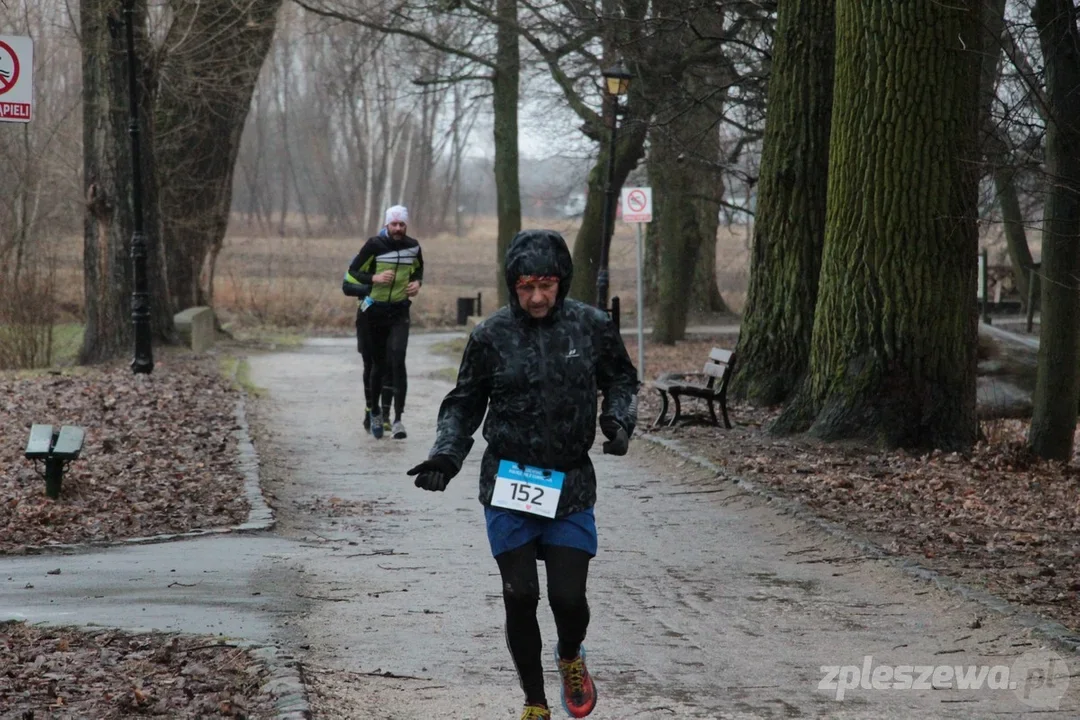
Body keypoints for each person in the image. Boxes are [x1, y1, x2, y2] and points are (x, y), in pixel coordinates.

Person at [406, 229, 638, 720]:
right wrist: (446, 456)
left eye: (546, 286)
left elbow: (621, 378)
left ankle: (570, 655)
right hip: (509, 482)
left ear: (562, 282)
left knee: (567, 598)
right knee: (521, 595)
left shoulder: (591, 327)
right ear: (512, 284)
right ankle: (534, 703)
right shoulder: (491, 336)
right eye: (526, 287)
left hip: (569, 485)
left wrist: (618, 420)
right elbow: (463, 402)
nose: (536, 297)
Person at [344, 205, 424, 439]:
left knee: (398, 359)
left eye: (401, 224)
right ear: (386, 225)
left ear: (406, 225)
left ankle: (398, 419)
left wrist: (417, 284)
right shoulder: (373, 245)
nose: (398, 228)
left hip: (399, 311)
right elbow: (352, 273)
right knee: (377, 365)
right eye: (393, 224)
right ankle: (375, 410)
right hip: (374, 312)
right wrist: (374, 278)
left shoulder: (413, 246)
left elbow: (418, 270)